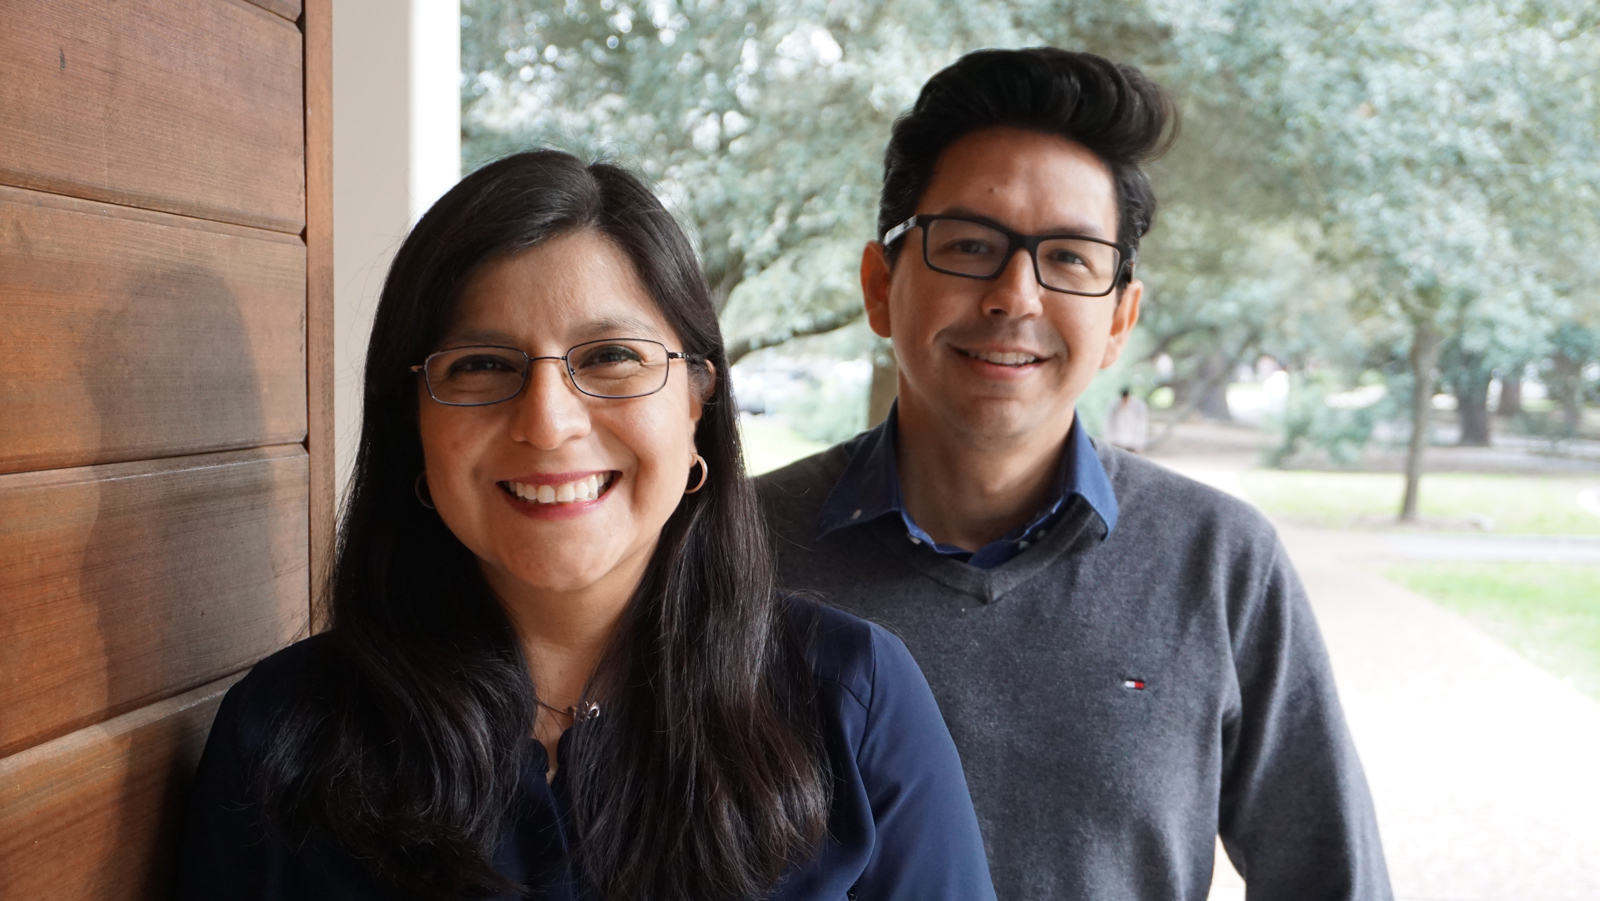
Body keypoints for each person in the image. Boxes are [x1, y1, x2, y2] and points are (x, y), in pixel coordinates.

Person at [172, 151, 996, 901]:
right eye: (482, 365)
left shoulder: (851, 699)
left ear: (697, 399)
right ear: (413, 426)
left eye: (609, 357)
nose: (548, 422)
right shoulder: (285, 732)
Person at [756, 49, 1392, 900]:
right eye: (971, 245)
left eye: (1070, 259)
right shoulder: (739, 550)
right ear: (880, 285)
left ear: (1120, 317)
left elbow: (1332, 881)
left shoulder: (1220, 563)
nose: (1016, 296)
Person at [1104, 387, 1149, 452]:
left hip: (1133, 439)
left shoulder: (1137, 405)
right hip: (1117, 438)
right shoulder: (1115, 405)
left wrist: (1139, 442)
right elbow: (1109, 422)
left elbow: (1141, 423)